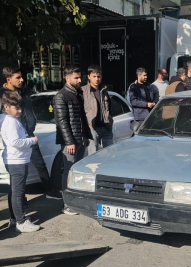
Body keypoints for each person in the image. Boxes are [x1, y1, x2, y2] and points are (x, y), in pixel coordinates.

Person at [0, 66, 61, 200]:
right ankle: (20, 202)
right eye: (18, 78)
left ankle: (49, 190)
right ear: (8, 79)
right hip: (14, 137)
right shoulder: (2, 95)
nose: (22, 80)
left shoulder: (24, 91)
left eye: (21, 77)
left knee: (40, 164)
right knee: (18, 172)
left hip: (29, 133)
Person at [0, 90, 41, 232]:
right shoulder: (10, 122)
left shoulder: (7, 119)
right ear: (6, 107)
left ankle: (14, 218)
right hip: (16, 160)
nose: (20, 111)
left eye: (20, 107)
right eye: (16, 108)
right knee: (18, 192)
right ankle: (21, 222)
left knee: (14, 191)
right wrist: (32, 140)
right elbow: (15, 141)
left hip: (15, 159)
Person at [54, 66, 91, 215]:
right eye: (76, 77)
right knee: (68, 171)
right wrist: (69, 142)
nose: (79, 80)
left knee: (77, 172)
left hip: (80, 138)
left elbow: (82, 117)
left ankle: (76, 201)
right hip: (71, 141)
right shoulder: (61, 96)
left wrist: (86, 136)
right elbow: (61, 121)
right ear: (66, 78)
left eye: (80, 77)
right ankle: (67, 204)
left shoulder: (78, 93)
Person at [82, 65, 113, 155]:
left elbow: (109, 108)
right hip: (92, 127)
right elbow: (81, 111)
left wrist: (110, 120)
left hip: (106, 127)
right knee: (93, 154)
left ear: (101, 77)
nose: (96, 79)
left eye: (98, 76)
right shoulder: (83, 91)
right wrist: (88, 126)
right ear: (89, 77)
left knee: (109, 154)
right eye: (94, 76)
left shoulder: (104, 90)